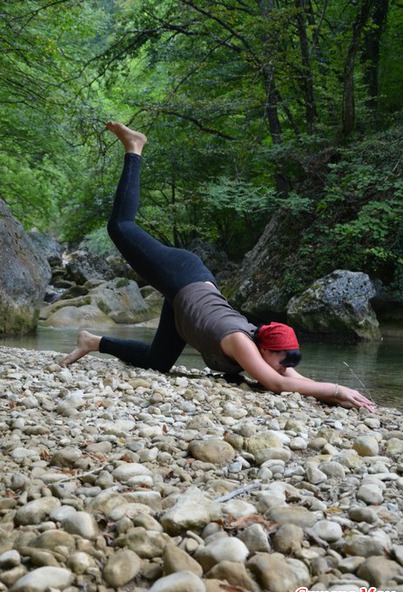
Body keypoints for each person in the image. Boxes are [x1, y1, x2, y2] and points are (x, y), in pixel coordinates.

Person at [64, 121, 376, 413]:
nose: (285, 368)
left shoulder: (269, 350)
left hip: (185, 302)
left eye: (287, 363)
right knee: (120, 226)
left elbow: (294, 379)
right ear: (265, 350)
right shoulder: (242, 341)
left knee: (157, 362)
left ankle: (91, 341)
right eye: (283, 361)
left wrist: (342, 398)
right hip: (183, 276)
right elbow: (278, 383)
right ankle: (134, 147)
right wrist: (336, 389)